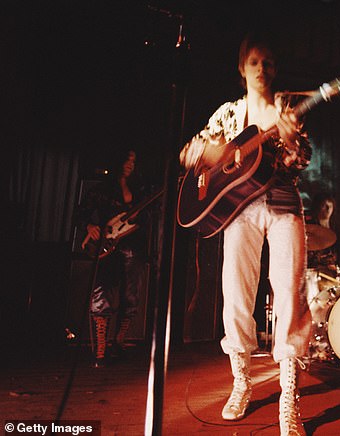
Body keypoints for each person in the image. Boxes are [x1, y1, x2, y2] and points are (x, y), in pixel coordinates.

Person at [179, 32, 312, 435]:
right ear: (242, 68)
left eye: (268, 61)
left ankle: (289, 398)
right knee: (236, 293)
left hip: (284, 201)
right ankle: (242, 382)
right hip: (238, 207)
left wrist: (289, 138)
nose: (261, 68)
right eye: (254, 61)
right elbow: (191, 154)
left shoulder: (288, 109)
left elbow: (301, 158)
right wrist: (206, 152)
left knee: (290, 293)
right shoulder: (228, 114)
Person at [76, 149, 149, 368]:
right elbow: (82, 213)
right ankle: (100, 349)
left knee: (131, 294)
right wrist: (90, 226)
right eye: (127, 159)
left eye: (134, 161)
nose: (130, 164)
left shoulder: (140, 189)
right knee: (102, 291)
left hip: (132, 245)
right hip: (106, 246)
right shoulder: (101, 189)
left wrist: (140, 216)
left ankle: (118, 341)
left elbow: (147, 217)